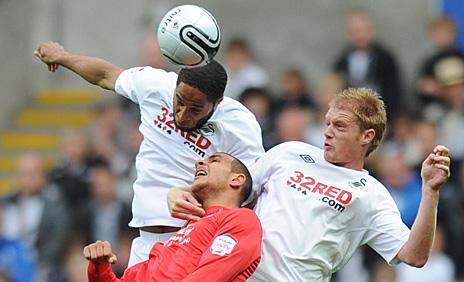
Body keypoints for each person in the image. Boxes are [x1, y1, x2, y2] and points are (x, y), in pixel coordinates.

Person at [169, 88, 451, 281]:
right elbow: (231, 190)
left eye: (340, 126)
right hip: (238, 275)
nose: (327, 132)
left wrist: (430, 191)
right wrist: (177, 192)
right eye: (327, 123)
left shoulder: (373, 195)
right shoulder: (289, 152)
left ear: (367, 135)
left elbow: (414, 256)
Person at [34, 41, 265, 266]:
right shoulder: (155, 85)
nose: (183, 115)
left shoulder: (239, 124)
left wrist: (192, 196)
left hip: (195, 242)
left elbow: (249, 187)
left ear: (218, 102)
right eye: (179, 101)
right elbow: (105, 75)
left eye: (196, 109)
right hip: (144, 242)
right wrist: (63, 56)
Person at [84, 153, 262, 282]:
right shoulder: (186, 230)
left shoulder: (241, 220)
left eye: (214, 160)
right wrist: (99, 267)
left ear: (237, 179)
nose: (199, 162)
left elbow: (210, 277)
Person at [333, 10, 403, 122]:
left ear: (371, 31)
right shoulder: (342, 61)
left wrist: (387, 121)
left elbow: (393, 93)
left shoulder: (385, 59)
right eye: (355, 31)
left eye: (363, 31)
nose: (359, 36)